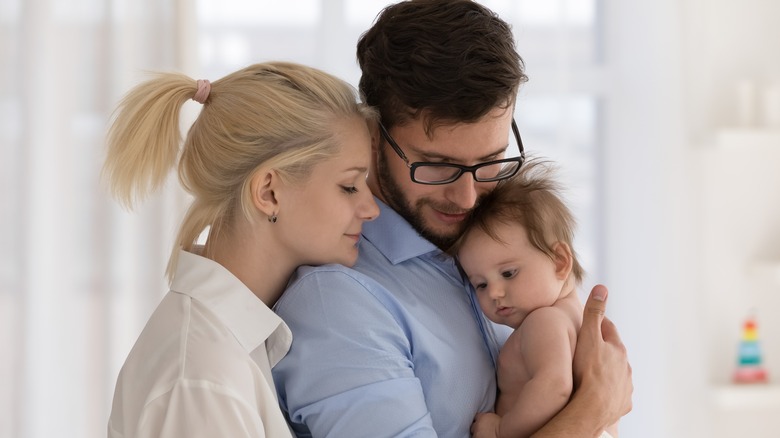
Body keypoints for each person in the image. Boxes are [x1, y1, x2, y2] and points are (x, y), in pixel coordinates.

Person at [272, 1, 633, 437]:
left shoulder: (507, 248)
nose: (467, 197)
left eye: (490, 161)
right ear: (372, 136)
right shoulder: (337, 302)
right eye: (436, 165)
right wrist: (595, 406)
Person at [103, 61, 380, 437]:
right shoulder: (204, 379)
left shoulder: (230, 346)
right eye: (349, 186)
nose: (371, 209)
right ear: (268, 192)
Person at [448, 160, 619, 438]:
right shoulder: (577, 322)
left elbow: (555, 387)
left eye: (508, 272)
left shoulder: (545, 321)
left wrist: (500, 430)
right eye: (479, 284)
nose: (494, 292)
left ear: (560, 262)